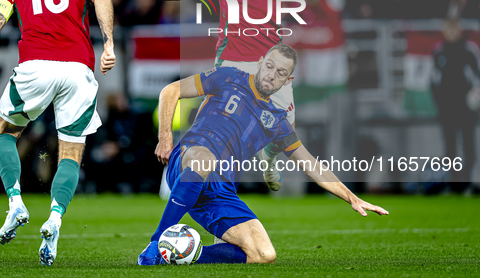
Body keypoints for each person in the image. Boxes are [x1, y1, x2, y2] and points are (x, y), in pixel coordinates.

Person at [107, 0, 331, 191]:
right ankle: (190, 187)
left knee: (285, 129)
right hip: (231, 60)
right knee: (212, 129)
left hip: (271, 62)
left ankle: (270, 156)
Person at [138, 44, 388, 265]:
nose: (272, 75)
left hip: (220, 190)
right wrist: (165, 137)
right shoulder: (227, 76)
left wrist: (351, 198)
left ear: (287, 81)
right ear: (259, 64)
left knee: (263, 254)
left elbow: (311, 164)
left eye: (280, 73)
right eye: (269, 66)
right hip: (188, 162)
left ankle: (183, 255)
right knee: (205, 158)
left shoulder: (277, 122)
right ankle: (154, 244)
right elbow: (170, 91)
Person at [0, 0, 115, 266]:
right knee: (71, 153)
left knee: (3, 130)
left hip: (35, 68)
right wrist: (108, 43)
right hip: (79, 70)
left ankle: (15, 202)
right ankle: (55, 218)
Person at [431, 18, 480, 192]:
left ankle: (466, 183)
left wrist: (474, 99)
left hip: (466, 109)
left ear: (459, 31)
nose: (451, 33)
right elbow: (434, 81)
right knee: (450, 150)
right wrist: (440, 105)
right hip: (447, 110)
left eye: (454, 30)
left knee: (469, 149)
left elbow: (476, 78)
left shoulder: (468, 51)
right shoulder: (439, 52)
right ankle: (455, 185)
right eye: (448, 30)